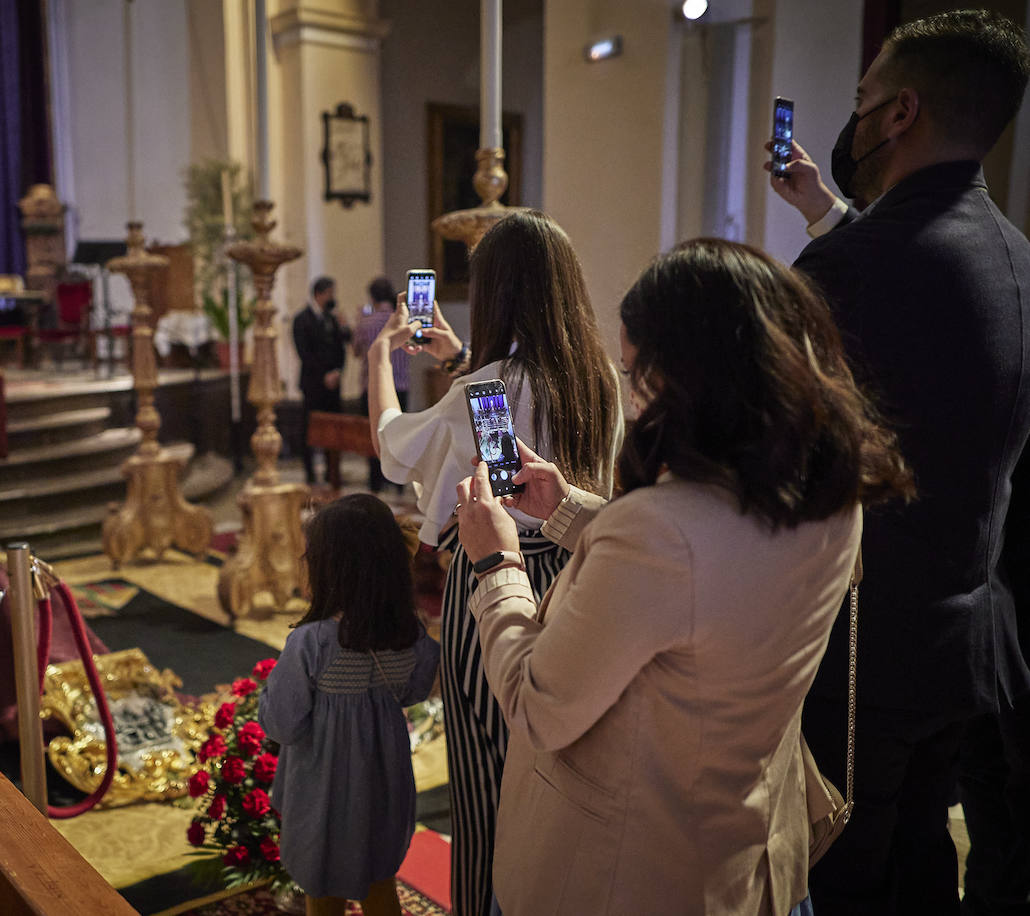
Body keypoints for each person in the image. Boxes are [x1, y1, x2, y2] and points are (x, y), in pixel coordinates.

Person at [453, 239, 912, 915]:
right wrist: (569, 509)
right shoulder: (827, 496)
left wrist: (498, 564)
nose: (635, 400)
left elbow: (539, 706)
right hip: (747, 849)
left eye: (637, 373)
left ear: (691, 379)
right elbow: (710, 583)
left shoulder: (663, 533)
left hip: (627, 868)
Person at [765, 11, 1030, 913]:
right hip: (969, 642)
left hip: (861, 651)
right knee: (922, 857)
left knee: (839, 872)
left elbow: (771, 453)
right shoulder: (1020, 260)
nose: (857, 119)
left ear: (901, 113)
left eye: (863, 100)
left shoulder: (853, 266)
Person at [366, 210, 623, 916]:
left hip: (493, 583)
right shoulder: (596, 376)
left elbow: (395, 448)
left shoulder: (485, 387)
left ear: (496, 293)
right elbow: (517, 409)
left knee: (487, 787)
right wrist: (462, 363)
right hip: (577, 579)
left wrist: (377, 361)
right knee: (556, 780)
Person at [258, 493, 439, 916]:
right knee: (379, 882)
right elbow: (414, 692)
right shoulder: (409, 632)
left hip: (324, 788)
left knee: (322, 888)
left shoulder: (312, 642)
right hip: (383, 780)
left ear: (330, 567)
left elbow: (282, 723)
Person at [352, 277, 409, 493]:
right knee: (401, 436)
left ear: (372, 298)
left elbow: (356, 351)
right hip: (401, 385)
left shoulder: (367, 322)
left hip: (373, 387)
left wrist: (359, 320)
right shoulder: (402, 320)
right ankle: (399, 484)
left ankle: (375, 481)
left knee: (375, 436)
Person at [292, 276, 351, 486]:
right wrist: (323, 375)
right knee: (310, 426)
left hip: (333, 383)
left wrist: (337, 371)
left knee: (333, 427)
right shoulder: (302, 319)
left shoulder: (332, 318)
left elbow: (342, 347)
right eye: (330, 294)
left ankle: (331, 470)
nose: (333, 298)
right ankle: (310, 472)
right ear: (319, 294)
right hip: (313, 383)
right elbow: (304, 353)